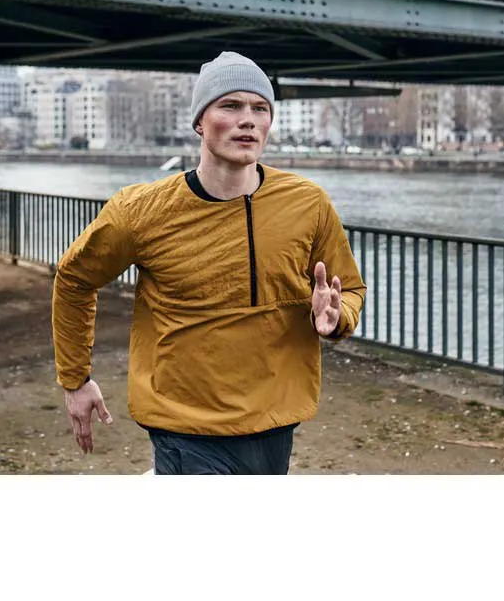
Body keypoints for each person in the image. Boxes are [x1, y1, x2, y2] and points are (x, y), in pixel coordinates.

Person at [52, 51, 367, 475]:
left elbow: (350, 288)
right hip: (186, 425)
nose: (248, 120)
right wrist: (75, 379)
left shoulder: (308, 203)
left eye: (260, 108)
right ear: (200, 121)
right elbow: (74, 279)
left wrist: (336, 316)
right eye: (230, 106)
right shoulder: (140, 211)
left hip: (277, 416)